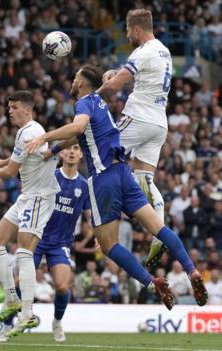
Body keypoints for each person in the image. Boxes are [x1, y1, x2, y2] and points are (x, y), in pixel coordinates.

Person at [25, 64, 208, 311]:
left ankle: (151, 283)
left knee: (109, 246)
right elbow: (81, 134)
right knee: (158, 227)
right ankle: (192, 270)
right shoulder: (98, 103)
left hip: (103, 178)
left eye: (75, 77)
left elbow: (78, 128)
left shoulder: (83, 104)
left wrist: (44, 137)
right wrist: (54, 150)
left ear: (80, 83)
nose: (72, 80)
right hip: (124, 172)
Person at [97, 9, 172, 269]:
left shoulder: (142, 52)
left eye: (128, 30)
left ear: (136, 29)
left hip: (138, 117)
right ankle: (158, 232)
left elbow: (115, 88)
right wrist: (116, 73)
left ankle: (105, 227)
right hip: (159, 122)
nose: (128, 34)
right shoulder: (163, 50)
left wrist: (90, 98)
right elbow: (139, 76)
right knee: (144, 179)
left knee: (102, 157)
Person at [0, 91, 60, 336]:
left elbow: (10, 173)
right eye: (9, 107)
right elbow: (22, 160)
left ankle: (27, 313)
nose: (10, 111)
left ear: (27, 108)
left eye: (14, 107)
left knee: (24, 251)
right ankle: (12, 299)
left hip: (39, 197)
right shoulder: (26, 131)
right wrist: (3, 161)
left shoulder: (31, 131)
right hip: (27, 197)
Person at [0, 145, 90, 343]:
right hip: (36, 237)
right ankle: (7, 325)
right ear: (61, 153)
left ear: (81, 154)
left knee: (63, 286)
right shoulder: (50, 176)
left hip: (61, 243)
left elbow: (91, 217)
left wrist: (98, 235)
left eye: (76, 148)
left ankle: (57, 323)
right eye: (68, 149)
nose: (72, 151)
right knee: (22, 283)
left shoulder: (84, 186)